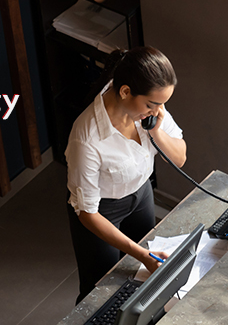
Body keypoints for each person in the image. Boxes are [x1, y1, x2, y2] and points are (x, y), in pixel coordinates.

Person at [66, 46, 187, 304]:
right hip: (101, 211)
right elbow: (87, 213)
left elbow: (180, 158)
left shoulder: (150, 108)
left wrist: (156, 131)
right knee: (98, 291)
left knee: (143, 275)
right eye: (152, 105)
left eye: (163, 104)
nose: (158, 111)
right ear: (124, 92)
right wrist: (140, 253)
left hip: (141, 195)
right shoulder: (86, 138)